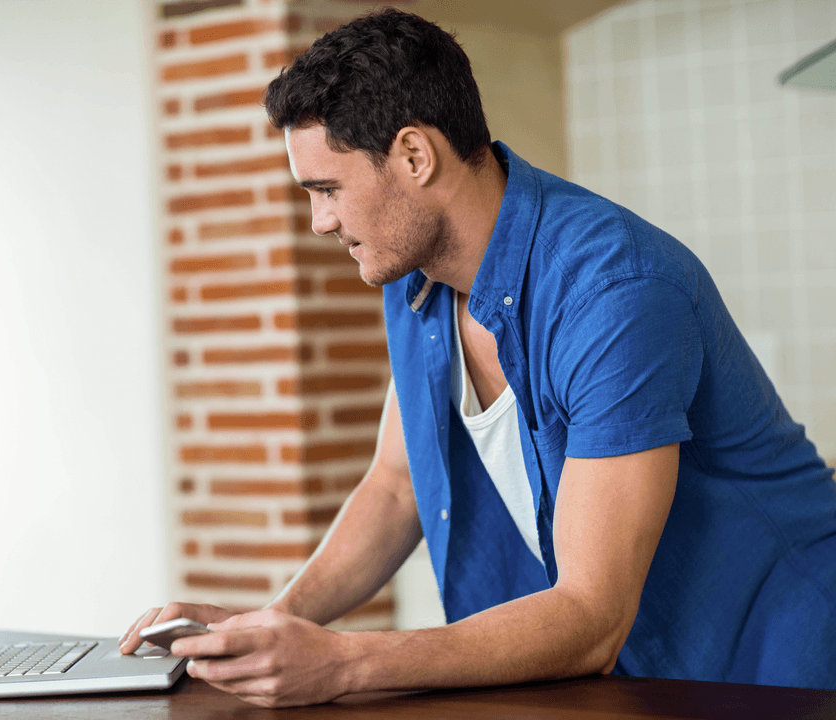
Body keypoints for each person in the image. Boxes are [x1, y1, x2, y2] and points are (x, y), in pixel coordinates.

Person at [120, 8, 836, 707]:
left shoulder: (615, 291)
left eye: (328, 189)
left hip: (777, 665)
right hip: (636, 678)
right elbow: (397, 485)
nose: (320, 222)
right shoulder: (413, 279)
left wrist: (342, 663)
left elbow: (591, 615)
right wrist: (272, 624)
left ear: (413, 156)